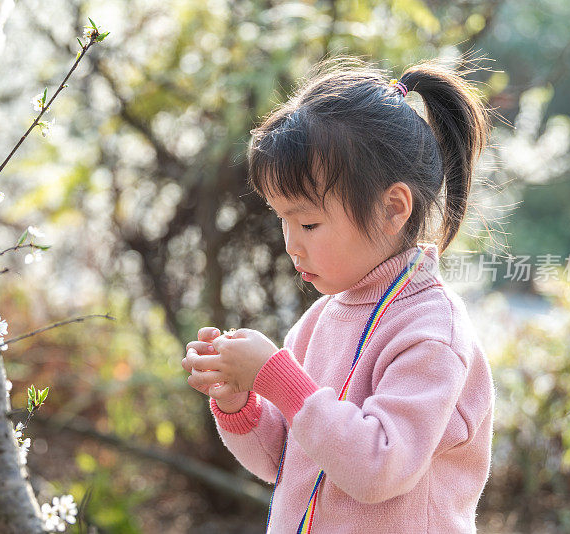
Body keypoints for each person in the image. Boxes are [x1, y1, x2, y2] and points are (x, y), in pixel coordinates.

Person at [181, 55, 495, 533]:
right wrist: (239, 398)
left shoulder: (431, 333)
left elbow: (379, 468)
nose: (291, 243)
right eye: (281, 219)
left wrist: (277, 376)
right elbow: (283, 459)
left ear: (393, 207)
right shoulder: (322, 319)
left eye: (308, 222)